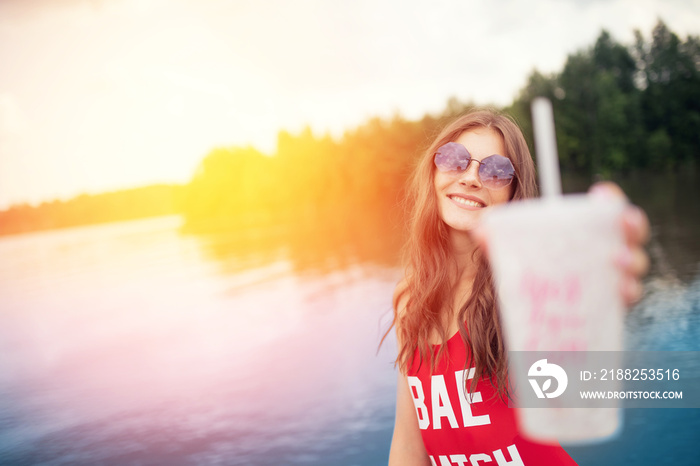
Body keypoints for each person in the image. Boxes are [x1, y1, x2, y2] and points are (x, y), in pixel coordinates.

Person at [385, 108, 650, 465]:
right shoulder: (408, 298)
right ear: (433, 170)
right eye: (455, 159)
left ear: (513, 193)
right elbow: (407, 443)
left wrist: (593, 288)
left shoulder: (524, 290)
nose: (471, 178)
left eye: (496, 171)